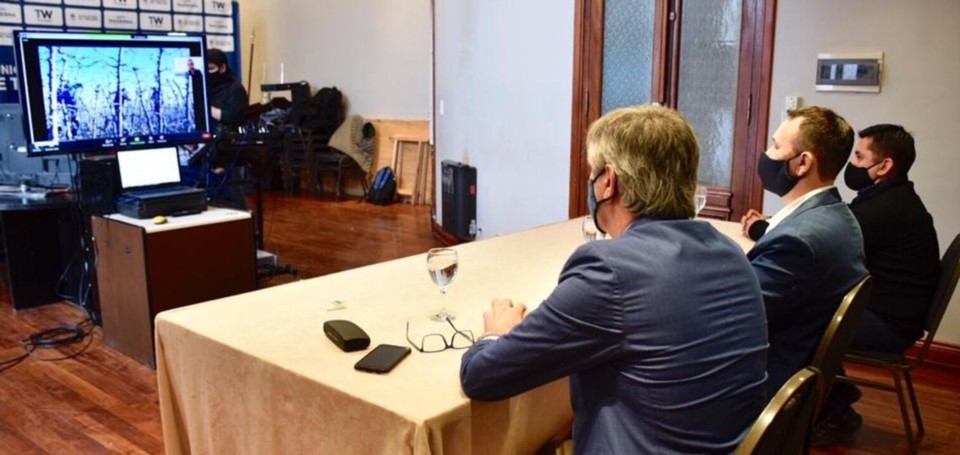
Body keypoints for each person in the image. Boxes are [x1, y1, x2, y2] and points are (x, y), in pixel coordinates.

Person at [459, 105, 769, 453]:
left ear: (608, 182)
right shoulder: (732, 254)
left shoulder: (610, 270)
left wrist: (496, 333)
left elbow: (482, 376)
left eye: (592, 173)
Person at [812, 124, 940, 446]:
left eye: (859, 156)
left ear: (884, 167)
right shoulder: (890, 199)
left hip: (888, 325)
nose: (851, 164)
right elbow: (831, 226)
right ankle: (838, 398)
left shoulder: (888, 209)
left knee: (800, 319)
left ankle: (835, 411)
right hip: (891, 315)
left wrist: (762, 230)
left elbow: (825, 242)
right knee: (808, 308)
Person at [740, 106, 868, 396]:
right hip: (798, 363)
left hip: (763, 379)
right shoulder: (838, 215)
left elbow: (736, 316)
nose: (767, 154)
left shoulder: (797, 242)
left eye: (776, 146)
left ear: (802, 163)